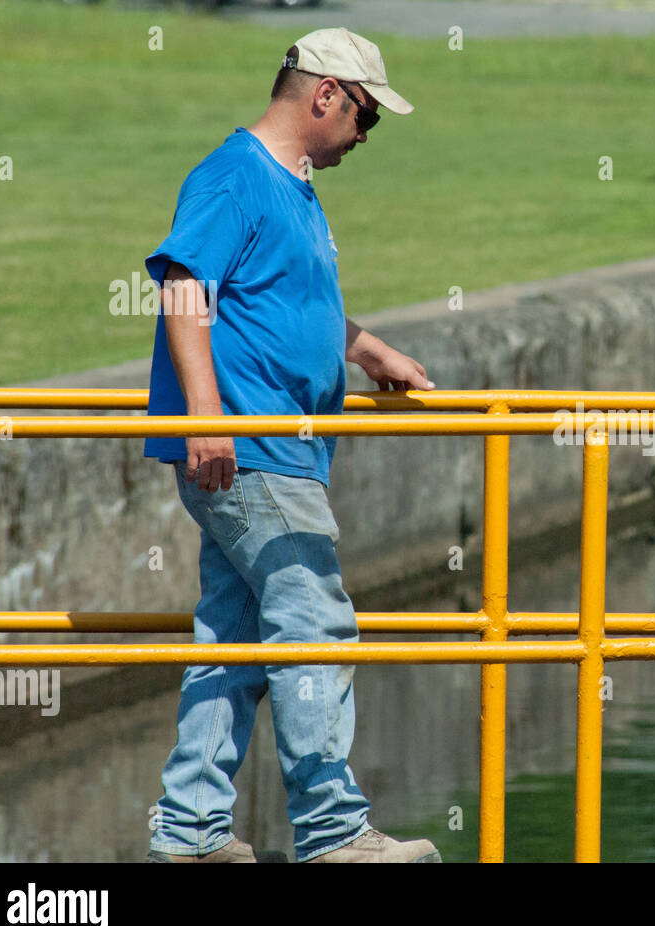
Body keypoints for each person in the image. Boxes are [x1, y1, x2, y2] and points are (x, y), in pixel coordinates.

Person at [144, 28, 440, 863]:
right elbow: (184, 286)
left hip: (274, 449)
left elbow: (284, 301)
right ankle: (332, 830)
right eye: (367, 117)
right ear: (325, 96)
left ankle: (192, 831)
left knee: (231, 641)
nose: (365, 135)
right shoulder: (237, 174)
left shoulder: (293, 186)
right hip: (251, 448)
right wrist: (208, 415)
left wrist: (366, 348)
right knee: (314, 617)